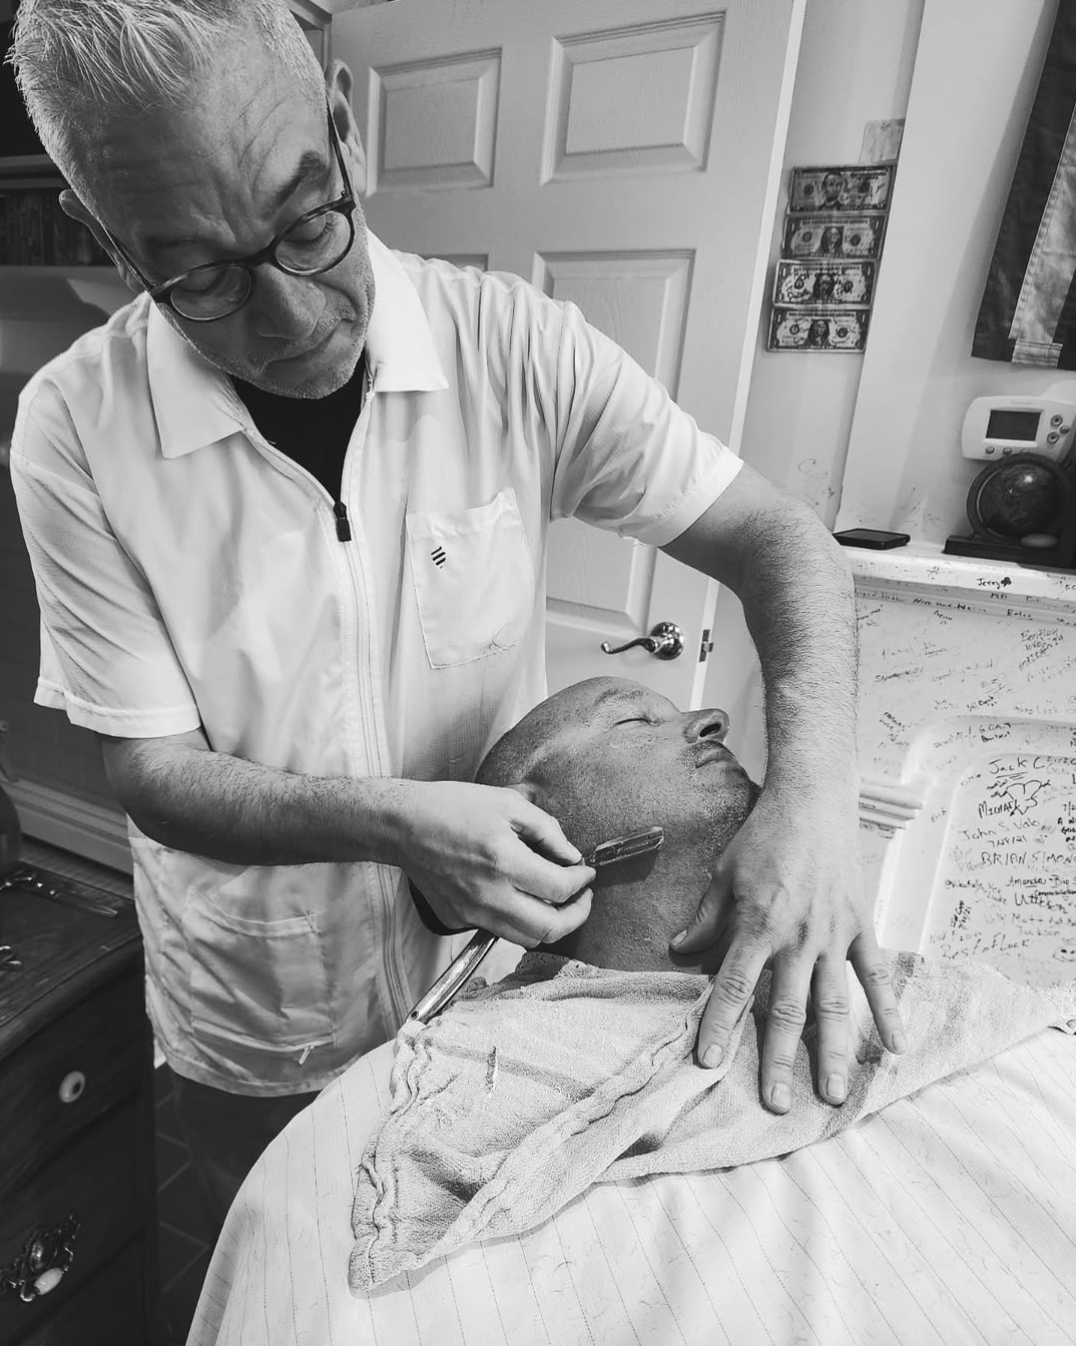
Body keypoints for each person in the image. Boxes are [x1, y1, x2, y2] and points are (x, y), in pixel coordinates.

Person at [7, 0, 904, 1234]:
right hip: (260, 1003)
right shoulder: (74, 428)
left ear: (345, 131)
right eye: (200, 277)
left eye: (308, 222)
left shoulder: (511, 346)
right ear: (110, 242)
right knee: (277, 1264)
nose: (289, 316)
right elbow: (150, 768)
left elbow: (779, 541)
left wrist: (812, 797)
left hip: (500, 995)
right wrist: (395, 826)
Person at [188, 677, 1076, 1345]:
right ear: (531, 823)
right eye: (635, 719)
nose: (709, 720)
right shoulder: (379, 1148)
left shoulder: (991, 1035)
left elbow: (778, 543)